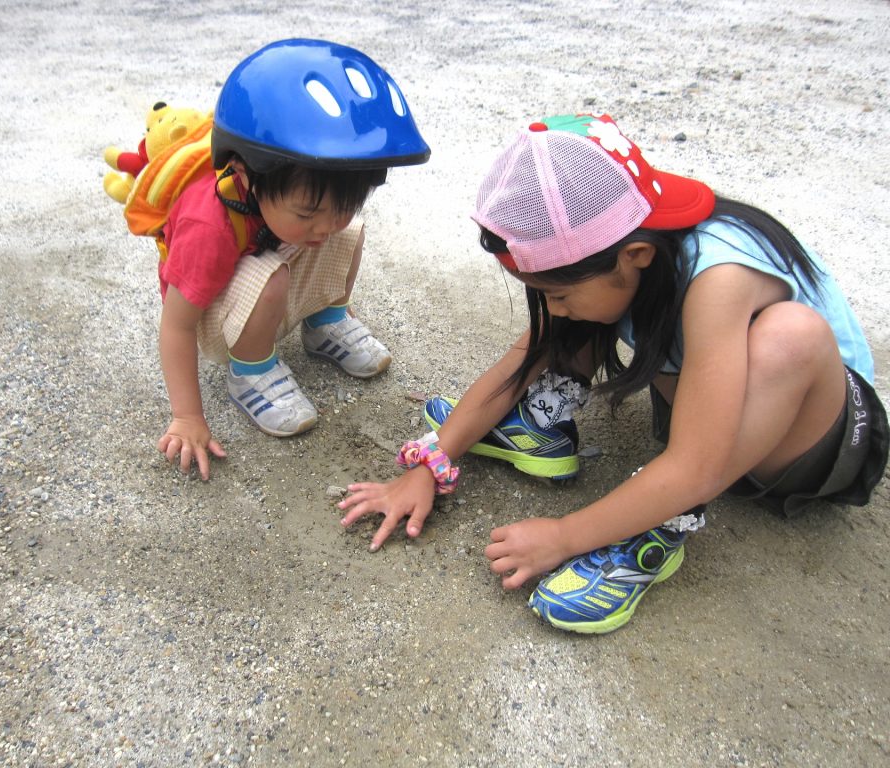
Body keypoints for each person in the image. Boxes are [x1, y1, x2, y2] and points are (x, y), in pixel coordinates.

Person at [339, 113, 888, 634]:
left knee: (791, 334)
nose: (550, 308)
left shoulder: (717, 275)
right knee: (587, 312)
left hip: (818, 442)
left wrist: (564, 536)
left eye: (555, 292)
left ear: (638, 254)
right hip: (718, 413)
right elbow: (522, 357)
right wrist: (432, 461)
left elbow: (697, 465)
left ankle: (658, 525)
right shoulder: (620, 231)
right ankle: (545, 423)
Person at [155, 39, 429, 479]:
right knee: (271, 277)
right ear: (247, 174)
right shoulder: (209, 226)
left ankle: (324, 323)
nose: (324, 223)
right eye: (308, 212)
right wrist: (188, 416)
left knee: (347, 235)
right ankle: (251, 372)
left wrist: (325, 227)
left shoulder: (309, 216)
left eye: (342, 205)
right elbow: (176, 323)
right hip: (214, 315)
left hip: (266, 255)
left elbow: (327, 222)